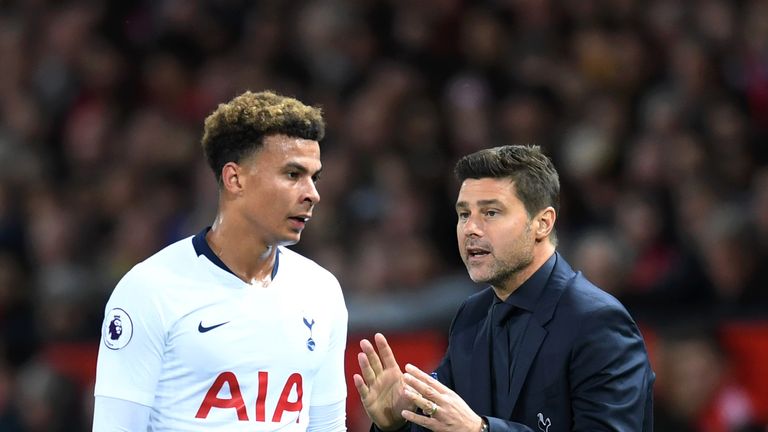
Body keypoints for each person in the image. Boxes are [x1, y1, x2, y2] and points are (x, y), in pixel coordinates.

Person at [93, 90, 348, 431]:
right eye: (292, 175)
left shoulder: (322, 291)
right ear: (235, 178)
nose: (312, 193)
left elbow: (328, 427)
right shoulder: (149, 290)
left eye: (313, 177)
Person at [354, 145, 655, 431]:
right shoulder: (472, 317)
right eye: (463, 214)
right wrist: (395, 425)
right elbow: (444, 425)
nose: (471, 228)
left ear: (543, 223)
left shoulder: (597, 322)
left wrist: (481, 430)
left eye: (491, 212)